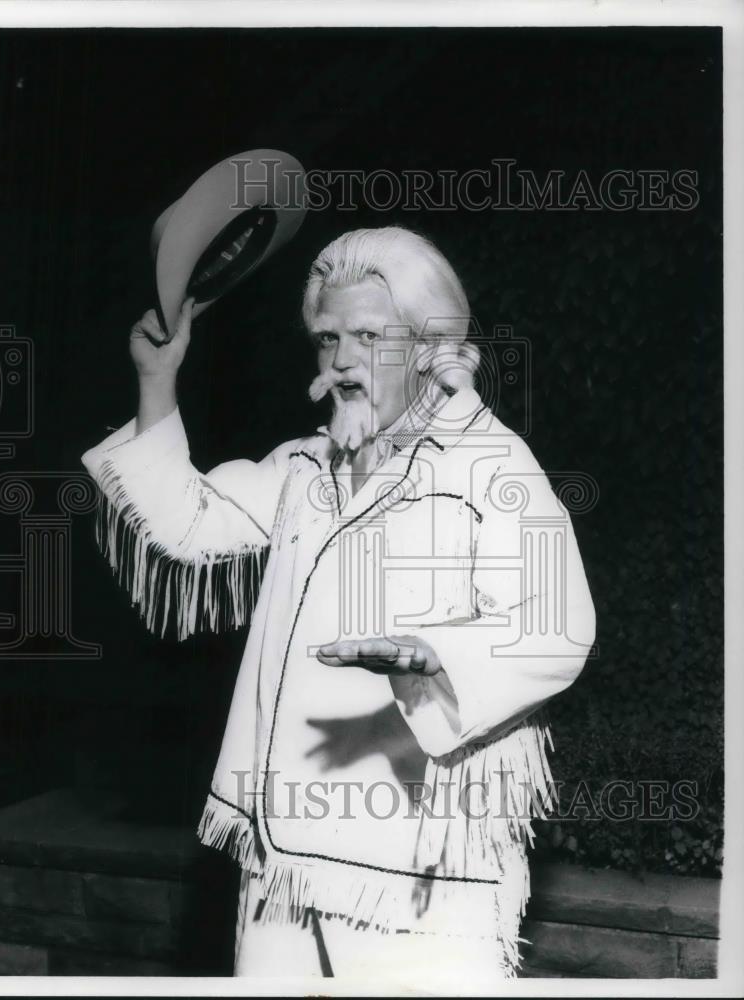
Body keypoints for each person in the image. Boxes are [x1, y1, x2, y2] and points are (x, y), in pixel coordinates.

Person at [82, 226, 595, 983]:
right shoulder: (303, 467)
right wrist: (157, 378)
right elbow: (188, 522)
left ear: (429, 347)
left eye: (369, 336)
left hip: (420, 872)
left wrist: (439, 657)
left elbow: (559, 627)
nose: (343, 358)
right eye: (328, 338)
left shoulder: (492, 463)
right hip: (281, 865)